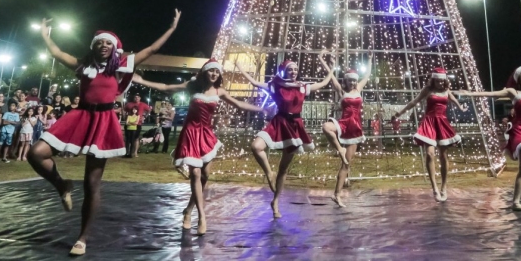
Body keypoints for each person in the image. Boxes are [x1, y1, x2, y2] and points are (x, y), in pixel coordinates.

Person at [27, 10, 181, 256]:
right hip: (80, 116)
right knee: (36, 153)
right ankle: (61, 184)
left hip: (104, 120)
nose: (104, 45)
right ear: (94, 46)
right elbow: (57, 53)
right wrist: (46, 35)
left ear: (114, 48)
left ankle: (82, 238)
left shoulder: (120, 66)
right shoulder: (83, 65)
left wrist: (172, 29)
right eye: (101, 42)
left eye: (109, 42)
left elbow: (150, 50)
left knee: (91, 183)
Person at [132, 59, 265, 234]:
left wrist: (262, 110)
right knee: (194, 173)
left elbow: (239, 104)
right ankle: (201, 216)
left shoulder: (219, 91)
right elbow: (166, 87)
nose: (214, 74)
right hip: (190, 132)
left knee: (205, 175)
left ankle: (188, 209)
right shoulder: (193, 86)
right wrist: (141, 81)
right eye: (211, 71)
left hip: (207, 134)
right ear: (205, 72)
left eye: (217, 72)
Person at [238, 58, 334, 219]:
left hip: (294, 127)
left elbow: (323, 83)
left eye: (296, 69)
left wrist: (331, 69)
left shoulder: (303, 87)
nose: (294, 72)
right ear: (284, 71)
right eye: (291, 69)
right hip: (278, 122)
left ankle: (275, 202)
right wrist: (240, 66)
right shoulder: (276, 85)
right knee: (256, 146)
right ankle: (269, 172)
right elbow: (255, 83)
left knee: (283, 169)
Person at [456, 66, 521, 211]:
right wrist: (470, 93)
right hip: (518, 129)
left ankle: (516, 202)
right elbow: (490, 93)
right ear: (518, 77)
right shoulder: (513, 92)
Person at [392, 67, 466, 202]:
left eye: (442, 81)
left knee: (443, 155)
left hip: (442, 123)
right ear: (433, 80)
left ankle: (444, 187)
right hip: (429, 122)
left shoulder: (446, 91)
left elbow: (454, 100)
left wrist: (460, 107)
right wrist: (399, 113)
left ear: (444, 81)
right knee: (430, 154)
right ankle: (434, 188)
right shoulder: (428, 90)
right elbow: (414, 102)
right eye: (437, 80)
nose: (440, 83)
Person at [316, 58, 372, 208]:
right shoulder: (341, 90)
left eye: (354, 81)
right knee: (326, 126)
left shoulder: (359, 89)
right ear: (345, 82)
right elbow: (330, 75)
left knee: (346, 164)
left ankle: (336, 194)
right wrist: (324, 61)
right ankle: (339, 148)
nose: (352, 83)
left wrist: (370, 60)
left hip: (355, 129)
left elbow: (367, 75)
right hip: (344, 123)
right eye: (350, 81)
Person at [123, 93, 152, 158]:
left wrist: (144, 116)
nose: (136, 98)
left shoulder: (143, 104)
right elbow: (124, 110)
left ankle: (135, 152)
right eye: (135, 97)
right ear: (134, 98)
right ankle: (127, 152)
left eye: (138, 97)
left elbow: (149, 110)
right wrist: (125, 117)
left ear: (140, 98)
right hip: (129, 124)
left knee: (136, 138)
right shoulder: (129, 104)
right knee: (127, 138)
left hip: (138, 124)